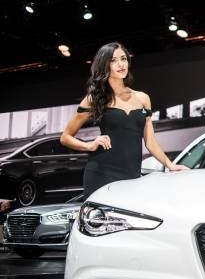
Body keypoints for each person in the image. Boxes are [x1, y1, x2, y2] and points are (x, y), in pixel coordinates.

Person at [60, 42, 187, 199]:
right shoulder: (94, 99)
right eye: (113, 60)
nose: (121, 64)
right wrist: (90, 145)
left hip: (131, 174)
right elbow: (65, 137)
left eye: (123, 59)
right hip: (101, 172)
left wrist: (169, 164)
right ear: (104, 65)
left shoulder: (142, 98)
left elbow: (150, 141)